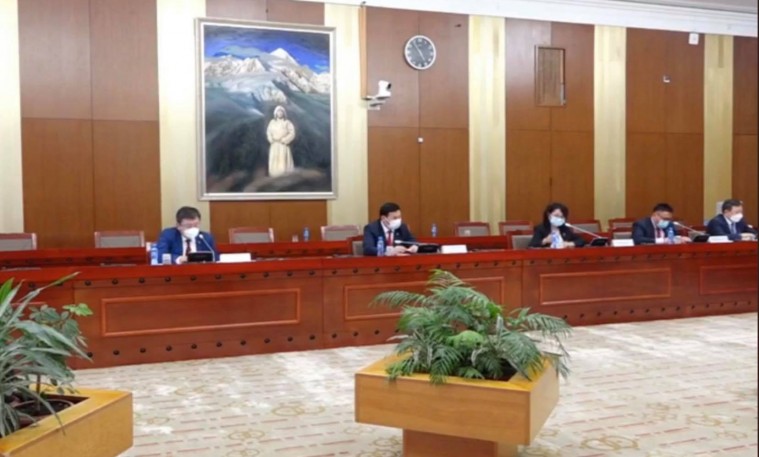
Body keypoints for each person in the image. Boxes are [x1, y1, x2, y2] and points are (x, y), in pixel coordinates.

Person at [266, 105, 296, 177]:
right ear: (275, 113)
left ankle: (284, 177)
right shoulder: (272, 122)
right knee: (275, 162)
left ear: (283, 113)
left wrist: (285, 140)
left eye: (281, 112)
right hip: (274, 145)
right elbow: (268, 132)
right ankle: (274, 176)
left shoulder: (287, 122)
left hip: (283, 145)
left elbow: (292, 133)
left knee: (283, 162)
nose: (279, 113)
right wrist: (271, 139)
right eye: (278, 112)